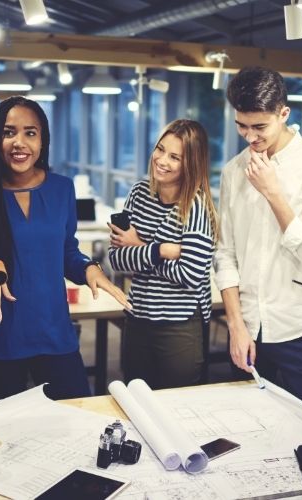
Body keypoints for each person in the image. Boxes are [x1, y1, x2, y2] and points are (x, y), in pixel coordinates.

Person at [0, 95, 129, 403]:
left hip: (54, 333)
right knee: (7, 436)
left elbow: (67, 252)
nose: (19, 142)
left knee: (74, 420)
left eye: (30, 133)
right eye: (8, 132)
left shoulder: (61, 189)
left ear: (43, 140)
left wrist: (89, 268)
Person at [214, 66, 302, 416]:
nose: (250, 137)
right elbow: (225, 256)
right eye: (242, 125)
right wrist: (236, 326)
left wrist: (273, 193)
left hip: (301, 327)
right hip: (249, 329)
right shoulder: (232, 171)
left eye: (260, 127)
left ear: (284, 113)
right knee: (249, 431)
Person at [108, 119, 218, 389]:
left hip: (178, 326)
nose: (162, 160)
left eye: (174, 157)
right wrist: (163, 250)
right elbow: (116, 259)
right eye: (160, 150)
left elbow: (191, 275)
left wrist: (139, 247)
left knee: (177, 406)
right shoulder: (139, 193)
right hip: (137, 319)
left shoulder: (196, 205)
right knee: (135, 398)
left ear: (190, 164)